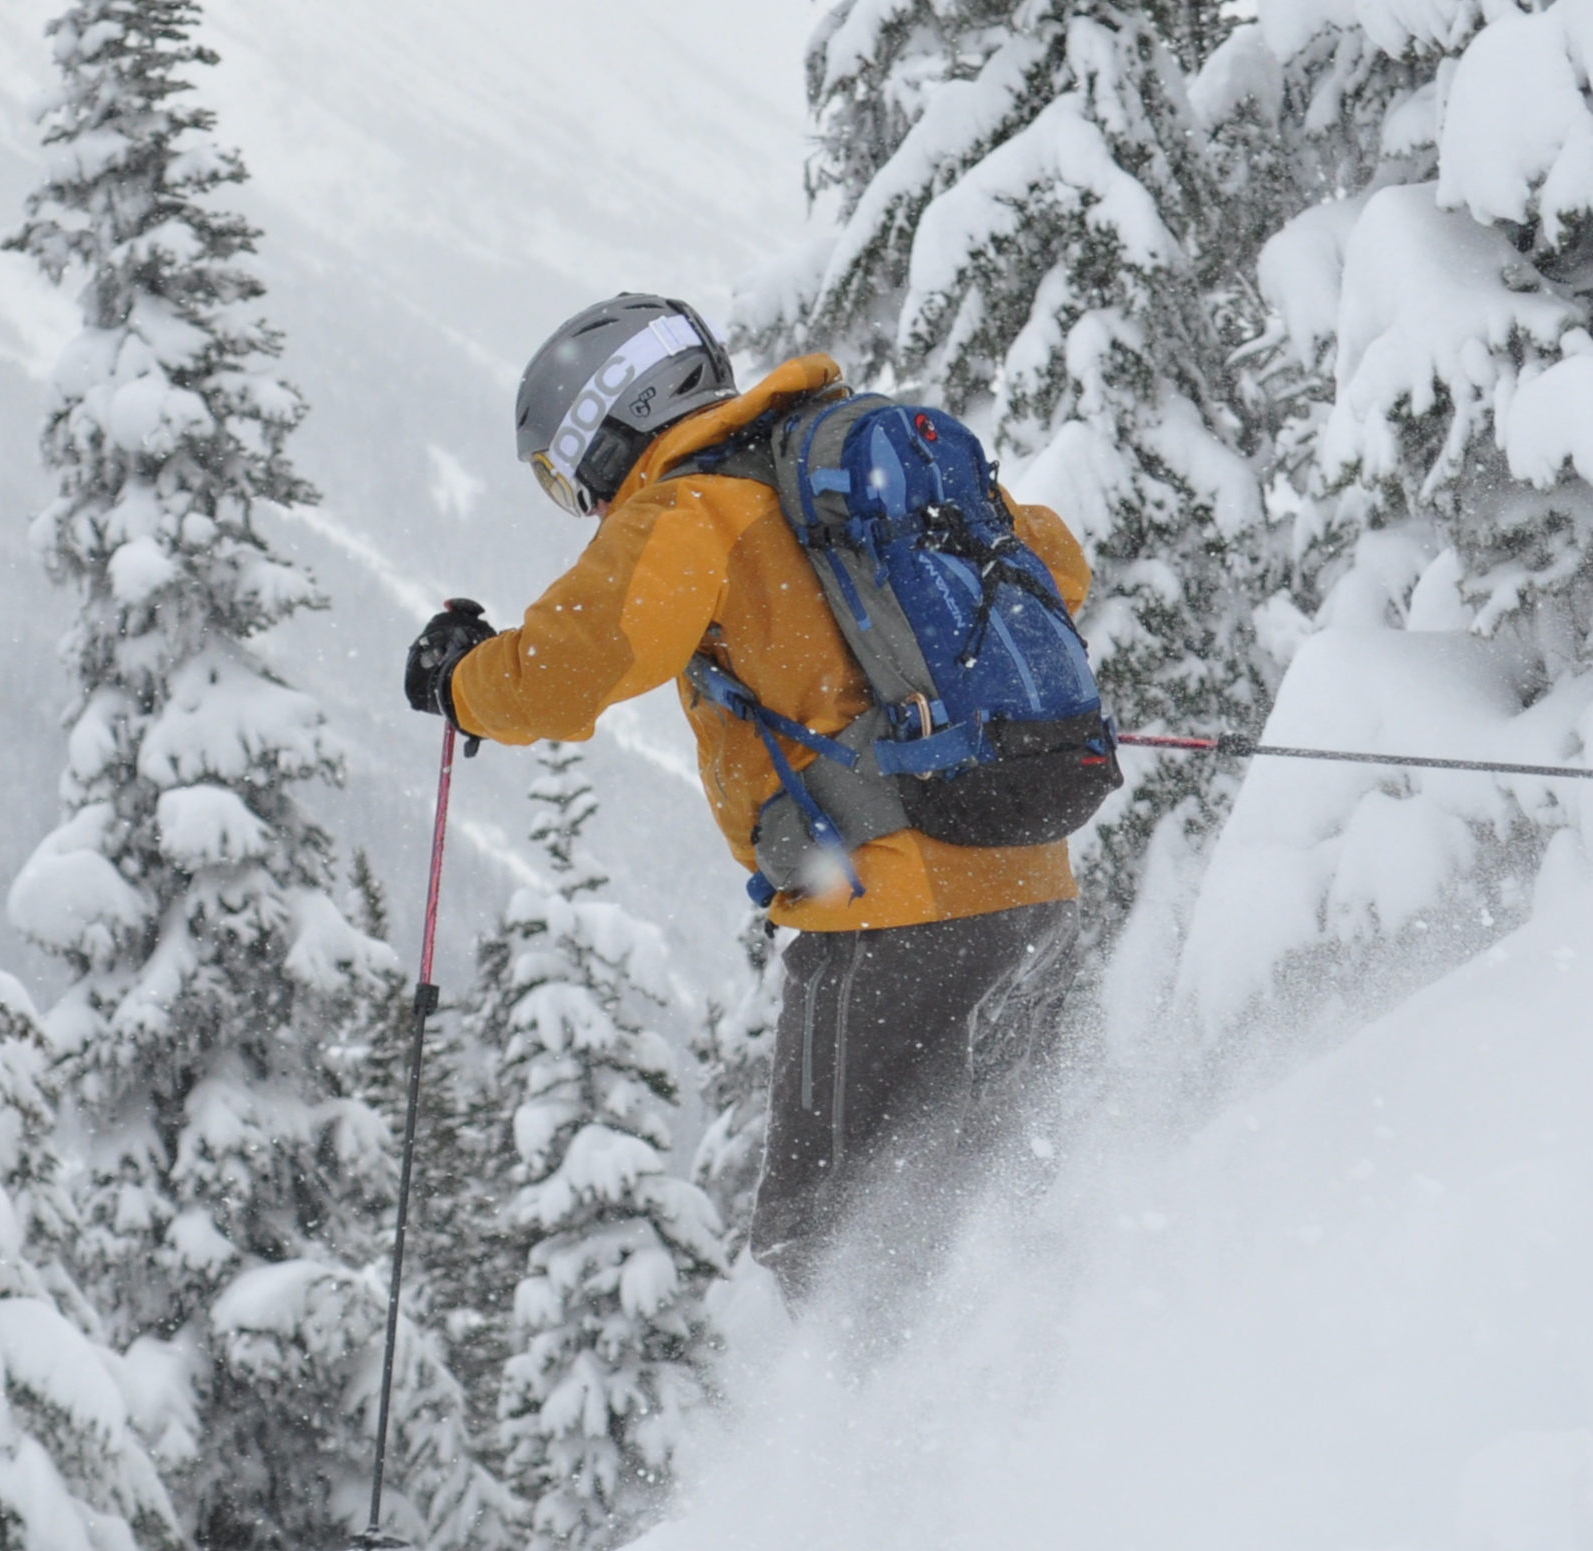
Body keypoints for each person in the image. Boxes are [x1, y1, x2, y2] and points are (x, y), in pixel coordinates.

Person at [403, 293, 1092, 1319]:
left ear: (606, 425)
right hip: (1025, 870)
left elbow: (573, 669)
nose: (577, 497)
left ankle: (888, 1461)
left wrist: (462, 680)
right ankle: (1053, 1394)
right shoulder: (853, 458)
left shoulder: (689, 508)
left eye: (563, 473)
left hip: (882, 917)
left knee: (829, 1239)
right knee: (1018, 1176)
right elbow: (1059, 569)